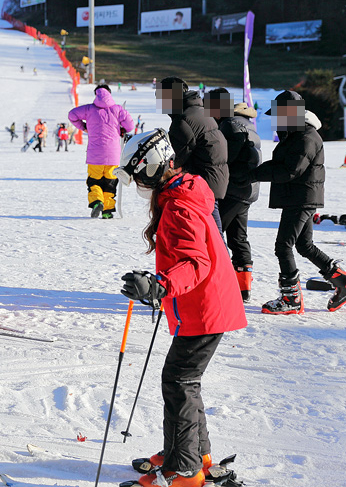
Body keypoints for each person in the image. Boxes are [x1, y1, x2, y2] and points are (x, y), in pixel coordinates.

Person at [115, 128, 247, 487]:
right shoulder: (183, 191)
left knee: (178, 381)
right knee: (184, 381)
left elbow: (196, 262)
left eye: (141, 176)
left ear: (155, 166)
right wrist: (154, 280)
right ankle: (189, 453)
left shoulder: (179, 205)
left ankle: (184, 469)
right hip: (205, 304)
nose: (141, 184)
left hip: (205, 306)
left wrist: (161, 285)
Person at [241, 90, 346, 314]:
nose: (276, 120)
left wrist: (252, 175)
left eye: (279, 115)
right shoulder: (296, 134)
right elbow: (283, 163)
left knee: (283, 246)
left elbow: (290, 170)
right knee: (304, 245)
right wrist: (254, 172)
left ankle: (291, 300)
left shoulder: (306, 137)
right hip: (300, 196)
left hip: (301, 197)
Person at [205, 89, 262, 302]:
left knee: (214, 236)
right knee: (238, 237)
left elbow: (224, 158)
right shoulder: (247, 123)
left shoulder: (228, 125)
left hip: (234, 189)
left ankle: (221, 283)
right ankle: (243, 287)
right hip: (248, 190)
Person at [157, 76, 229, 232]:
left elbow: (175, 158)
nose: (159, 101)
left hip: (204, 183)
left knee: (211, 236)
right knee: (211, 235)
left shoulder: (184, 120)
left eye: (160, 96)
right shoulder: (198, 111)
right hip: (213, 179)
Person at [68, 84, 135, 218]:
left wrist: (84, 126)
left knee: (94, 181)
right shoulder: (117, 110)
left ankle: (97, 201)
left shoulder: (89, 109)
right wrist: (122, 129)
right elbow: (130, 126)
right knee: (110, 183)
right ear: (110, 94)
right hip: (113, 155)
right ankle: (107, 211)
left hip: (95, 155)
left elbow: (72, 115)